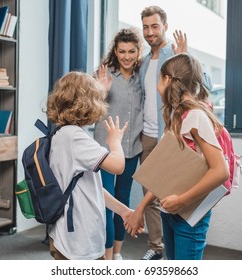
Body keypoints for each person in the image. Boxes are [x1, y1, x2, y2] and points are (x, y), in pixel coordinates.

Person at [126, 53, 229, 260]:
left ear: (167, 80)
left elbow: (221, 172)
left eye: (158, 80)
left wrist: (181, 200)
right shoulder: (177, 116)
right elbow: (166, 171)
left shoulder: (196, 117)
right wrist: (140, 208)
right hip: (170, 211)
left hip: (190, 216)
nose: (156, 87)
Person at [137, 5, 212, 260]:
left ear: (165, 26)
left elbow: (203, 86)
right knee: (154, 185)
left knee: (174, 191)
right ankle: (156, 246)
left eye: (154, 26)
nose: (149, 32)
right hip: (150, 134)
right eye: (145, 27)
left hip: (172, 133)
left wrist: (186, 55)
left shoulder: (177, 59)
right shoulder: (145, 61)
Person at [46, 71, 138, 260]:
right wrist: (115, 141)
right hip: (78, 243)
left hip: (72, 239)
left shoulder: (63, 134)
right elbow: (118, 166)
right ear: (87, 103)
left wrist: (123, 210)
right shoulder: (75, 137)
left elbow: (89, 187)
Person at [93, 28, 143, 260]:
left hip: (131, 148)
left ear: (138, 51)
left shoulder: (142, 76)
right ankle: (106, 257)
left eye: (131, 51)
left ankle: (118, 254)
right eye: (121, 51)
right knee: (105, 204)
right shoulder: (104, 74)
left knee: (123, 202)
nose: (126, 56)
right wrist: (100, 91)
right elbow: (90, 111)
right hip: (105, 150)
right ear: (115, 51)